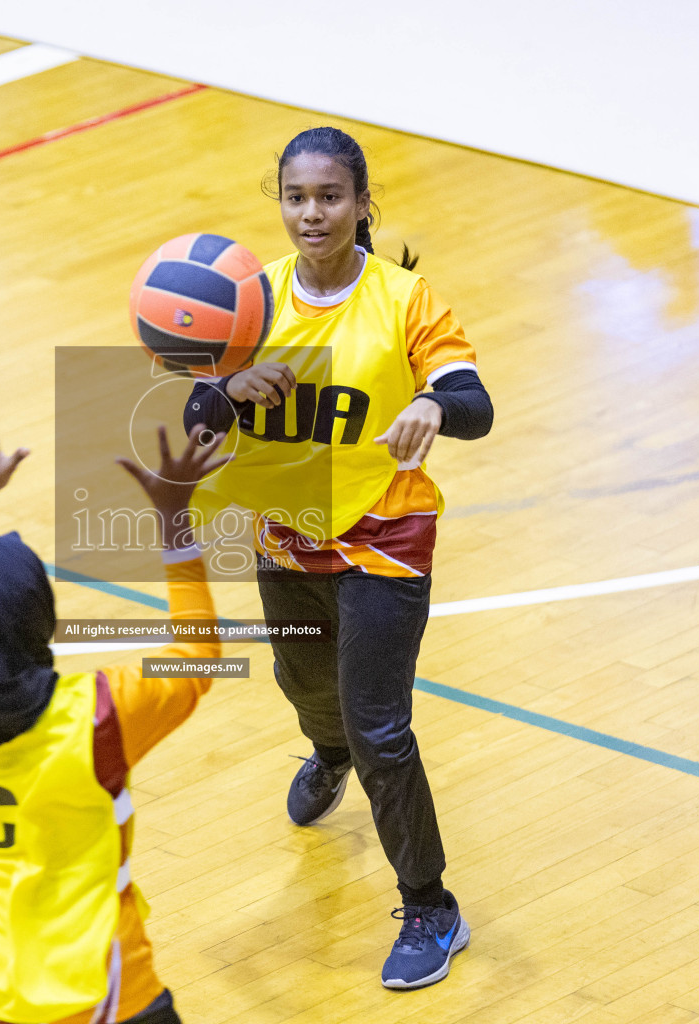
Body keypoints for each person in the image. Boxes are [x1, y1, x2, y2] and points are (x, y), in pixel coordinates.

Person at [182, 127, 493, 990]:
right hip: (285, 534)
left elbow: (475, 401)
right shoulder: (251, 300)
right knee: (306, 687)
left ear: (361, 203)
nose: (310, 213)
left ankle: (432, 905)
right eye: (295, 197)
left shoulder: (404, 299)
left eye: (328, 197)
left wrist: (434, 402)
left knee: (380, 725)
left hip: (385, 539)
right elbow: (191, 419)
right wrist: (223, 391)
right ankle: (327, 752)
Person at [0, 390, 226, 1024]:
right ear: (39, 624)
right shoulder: (99, 716)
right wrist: (174, 519)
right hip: (98, 989)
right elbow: (198, 654)